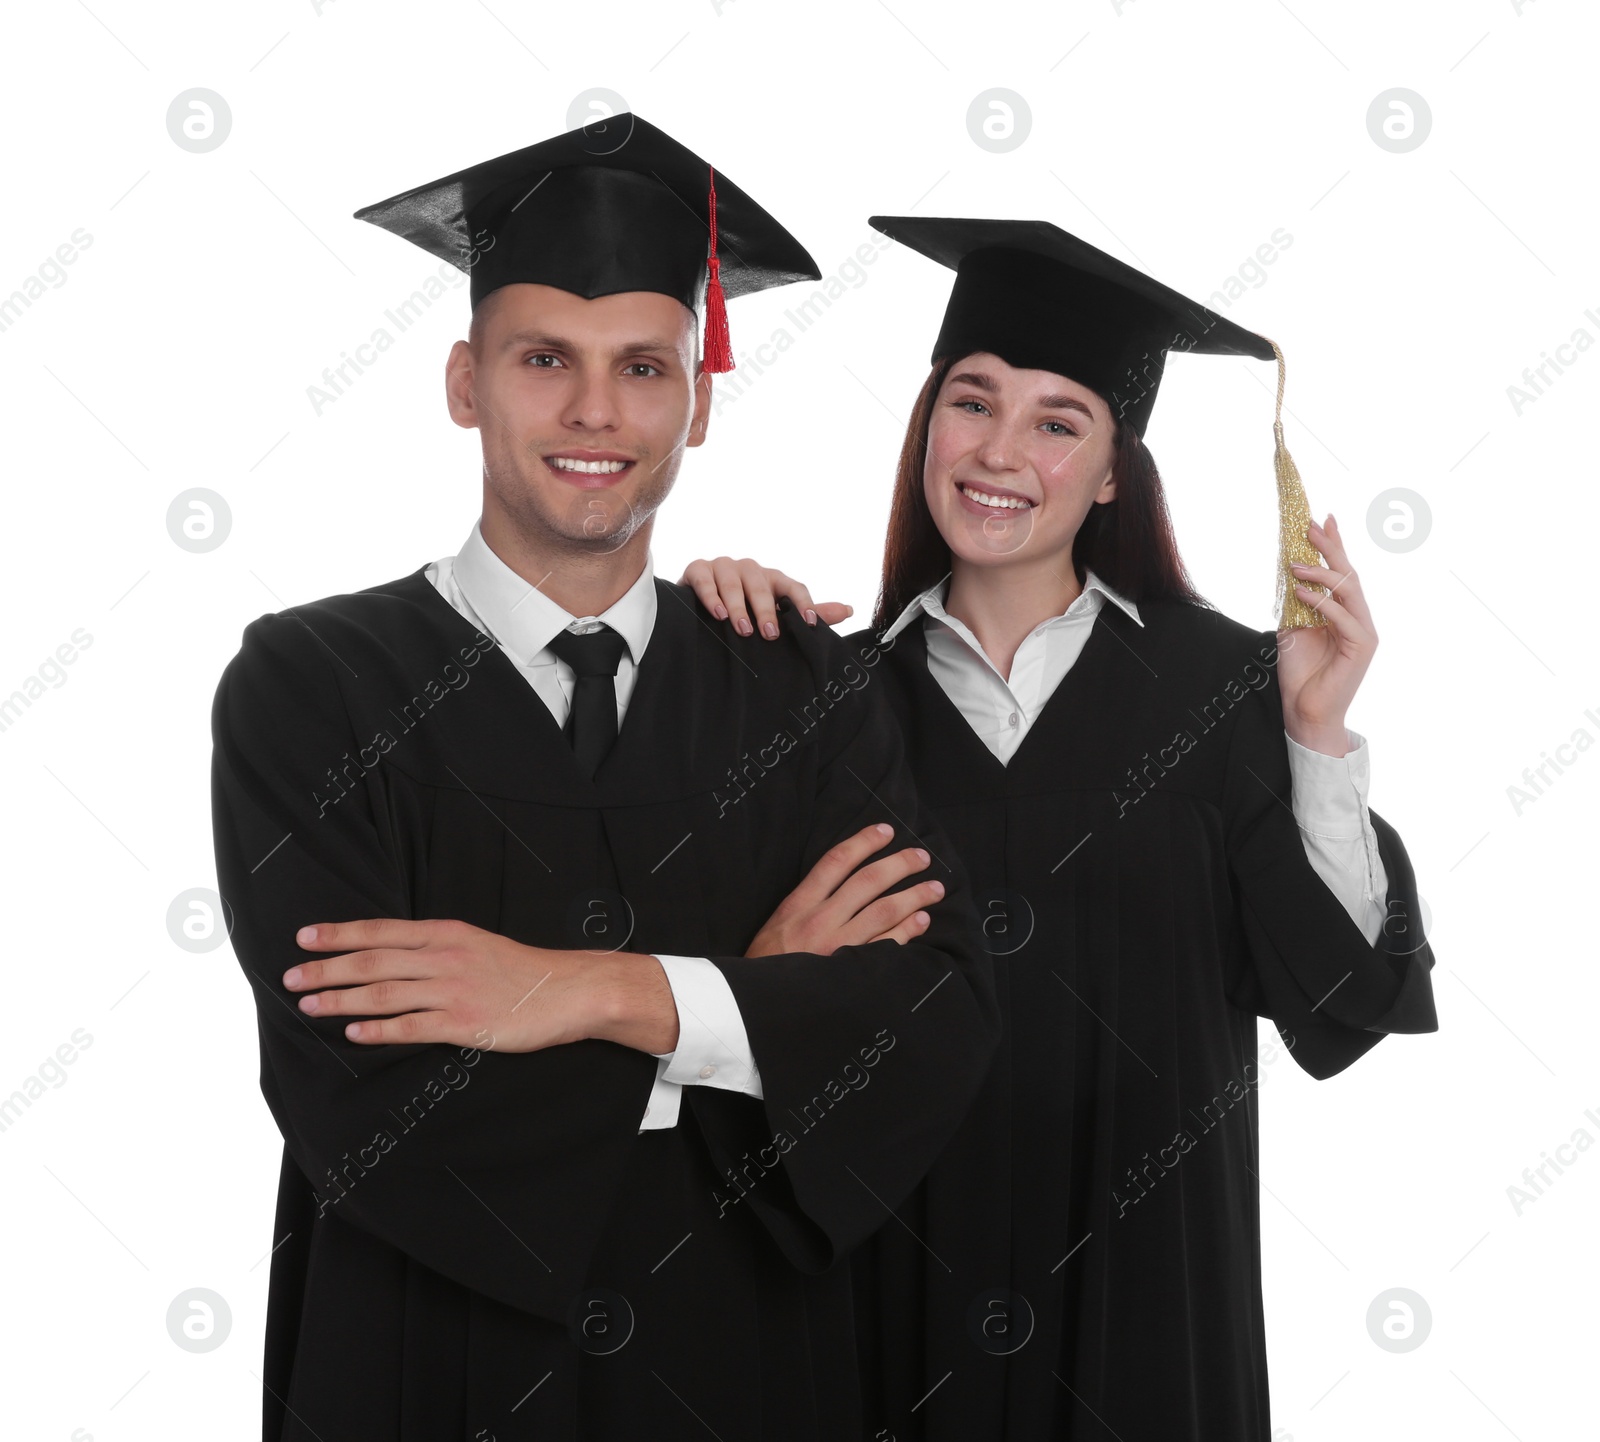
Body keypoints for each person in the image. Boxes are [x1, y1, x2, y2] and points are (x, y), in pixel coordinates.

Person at [210, 118, 998, 1442]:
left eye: (644, 365)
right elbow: (359, 1080)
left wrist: (574, 992)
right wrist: (751, 1008)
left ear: (697, 395)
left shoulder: (800, 687)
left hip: (749, 1364)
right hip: (428, 1364)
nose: (595, 411)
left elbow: (933, 1019)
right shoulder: (312, 686)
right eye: (543, 360)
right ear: (465, 382)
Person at [680, 216, 1438, 1439]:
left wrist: (1311, 733)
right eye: (972, 403)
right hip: (887, 1307)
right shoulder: (828, 703)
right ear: (927, 427)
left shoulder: (1220, 693)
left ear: (1109, 474)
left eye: (1056, 421)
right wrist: (705, 639)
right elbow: (753, 1006)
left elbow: (1338, 1000)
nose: (1001, 450)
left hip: (1147, 1314)